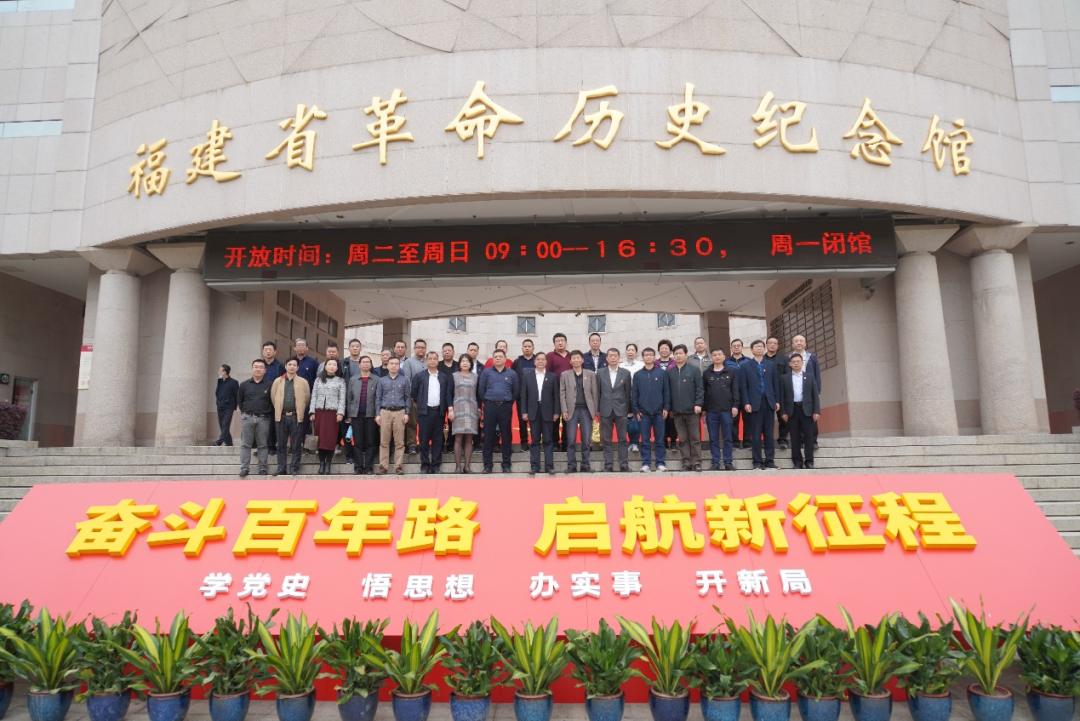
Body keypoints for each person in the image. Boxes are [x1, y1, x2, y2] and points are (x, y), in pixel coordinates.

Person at [739, 340, 781, 471]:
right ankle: (757, 462)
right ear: (751, 350)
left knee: (769, 433)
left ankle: (770, 461)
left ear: (764, 349)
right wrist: (746, 402)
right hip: (754, 403)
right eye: (756, 347)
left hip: (768, 402)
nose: (759, 349)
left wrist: (777, 401)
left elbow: (776, 384)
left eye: (761, 347)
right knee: (756, 434)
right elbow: (743, 387)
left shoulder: (771, 365)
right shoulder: (745, 366)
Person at [478, 349, 519, 473]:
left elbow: (515, 391)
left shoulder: (512, 373)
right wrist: (487, 402)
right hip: (490, 407)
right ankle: (487, 465)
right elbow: (481, 390)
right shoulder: (486, 372)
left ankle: (506, 464)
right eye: (495, 356)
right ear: (492, 359)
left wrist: (507, 403)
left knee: (506, 436)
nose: (498, 358)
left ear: (505, 359)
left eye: (500, 356)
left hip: (505, 407)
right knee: (488, 436)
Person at [519, 351, 560, 475]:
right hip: (533, 411)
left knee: (548, 440)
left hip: (548, 411)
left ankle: (549, 466)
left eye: (543, 359)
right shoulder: (527, 376)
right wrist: (524, 411)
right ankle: (534, 466)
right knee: (535, 440)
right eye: (538, 359)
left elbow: (556, 396)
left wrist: (556, 412)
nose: (540, 361)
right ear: (534, 361)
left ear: (546, 362)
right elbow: (523, 396)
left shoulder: (552, 376)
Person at [412, 351, 452, 474]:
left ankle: (436, 466)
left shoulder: (443, 377)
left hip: (439, 412)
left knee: (438, 440)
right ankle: (425, 465)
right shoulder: (419, 376)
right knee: (424, 440)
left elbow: (446, 394)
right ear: (426, 361)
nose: (433, 361)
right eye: (430, 359)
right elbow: (414, 394)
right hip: (425, 412)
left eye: (435, 358)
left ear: (438, 361)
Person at [559, 350, 598, 473]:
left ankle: (585, 464)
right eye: (573, 358)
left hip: (586, 410)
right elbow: (562, 394)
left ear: (582, 360)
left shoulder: (591, 374)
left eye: (578, 358)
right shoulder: (565, 375)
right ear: (570, 361)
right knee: (571, 439)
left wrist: (595, 410)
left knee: (586, 439)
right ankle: (571, 465)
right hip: (572, 410)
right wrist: (564, 410)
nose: (576, 360)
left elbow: (595, 393)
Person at [781, 353, 821, 469]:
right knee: (794, 437)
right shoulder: (784, 378)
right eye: (793, 362)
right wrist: (783, 412)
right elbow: (782, 397)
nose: (796, 363)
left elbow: (815, 395)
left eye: (798, 361)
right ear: (790, 364)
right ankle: (797, 462)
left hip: (807, 410)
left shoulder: (810, 377)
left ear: (802, 363)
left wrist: (816, 411)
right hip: (792, 410)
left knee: (808, 437)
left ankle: (809, 461)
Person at [632, 347, 670, 473]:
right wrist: (636, 410)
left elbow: (666, 392)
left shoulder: (662, 373)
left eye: (651, 355)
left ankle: (660, 463)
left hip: (659, 412)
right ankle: (646, 463)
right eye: (646, 355)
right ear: (642, 357)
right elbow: (634, 394)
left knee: (660, 439)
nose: (648, 357)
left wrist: (666, 407)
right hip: (643, 413)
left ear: (654, 357)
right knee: (645, 440)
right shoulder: (637, 375)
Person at [271, 356, 309, 476]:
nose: (292, 367)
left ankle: (294, 467)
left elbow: (306, 398)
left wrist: (300, 409)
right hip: (281, 416)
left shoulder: (303, 382)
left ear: (298, 368)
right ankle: (281, 467)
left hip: (296, 416)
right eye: (289, 365)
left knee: (296, 444)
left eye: (294, 365)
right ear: (285, 366)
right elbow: (273, 397)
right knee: (281, 444)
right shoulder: (278, 381)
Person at [668, 344, 704, 472]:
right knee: (682, 439)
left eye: (680, 353)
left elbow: (699, 389)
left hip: (692, 410)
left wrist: (698, 404)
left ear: (686, 355)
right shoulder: (670, 372)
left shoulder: (694, 370)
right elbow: (668, 392)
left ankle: (697, 462)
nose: (678, 356)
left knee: (695, 438)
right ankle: (686, 462)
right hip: (677, 412)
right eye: (676, 354)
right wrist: (670, 408)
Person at [703, 347, 740, 471]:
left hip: (727, 410)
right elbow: (704, 391)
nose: (717, 357)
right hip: (711, 410)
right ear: (711, 358)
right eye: (715, 355)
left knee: (727, 438)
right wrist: (704, 408)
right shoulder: (707, 373)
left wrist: (735, 406)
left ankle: (728, 462)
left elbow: (735, 390)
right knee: (713, 438)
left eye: (719, 354)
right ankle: (715, 462)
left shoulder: (731, 372)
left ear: (724, 357)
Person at [597, 347, 632, 473]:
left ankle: (624, 464)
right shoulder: (600, 372)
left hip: (621, 409)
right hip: (605, 409)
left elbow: (628, 393)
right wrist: (598, 409)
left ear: (619, 358)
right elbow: (598, 392)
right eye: (610, 355)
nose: (613, 357)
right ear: (606, 358)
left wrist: (628, 409)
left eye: (615, 355)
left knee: (622, 438)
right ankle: (608, 465)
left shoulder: (625, 373)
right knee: (606, 439)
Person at [309, 358, 346, 475]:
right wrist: (312, 411)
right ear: (325, 367)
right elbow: (313, 396)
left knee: (330, 439)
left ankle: (328, 463)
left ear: (337, 368)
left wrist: (340, 413)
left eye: (334, 365)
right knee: (320, 438)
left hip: (333, 413)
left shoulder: (341, 381)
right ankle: (321, 463)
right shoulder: (318, 380)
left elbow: (342, 398)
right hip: (319, 412)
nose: (331, 366)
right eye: (329, 364)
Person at [237, 359, 273, 477]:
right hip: (247, 418)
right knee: (245, 445)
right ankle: (244, 468)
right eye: (256, 367)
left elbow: (273, 401)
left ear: (265, 370)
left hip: (263, 419)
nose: (258, 369)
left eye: (261, 367)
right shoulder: (244, 385)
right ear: (251, 369)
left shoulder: (270, 385)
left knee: (263, 445)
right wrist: (245, 412)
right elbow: (240, 400)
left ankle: (262, 468)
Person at [375, 356, 411, 475]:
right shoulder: (382, 380)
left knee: (399, 441)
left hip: (399, 412)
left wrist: (407, 413)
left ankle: (398, 466)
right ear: (388, 365)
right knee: (384, 441)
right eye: (392, 363)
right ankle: (383, 466)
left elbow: (407, 398)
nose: (394, 366)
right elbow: (378, 398)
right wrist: (377, 414)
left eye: (396, 364)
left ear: (399, 366)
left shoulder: (404, 380)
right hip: (385, 412)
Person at [345, 355, 379, 475]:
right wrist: (349, 415)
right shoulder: (353, 380)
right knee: (358, 442)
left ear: (371, 365)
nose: (365, 364)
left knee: (370, 442)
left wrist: (377, 414)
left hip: (371, 415)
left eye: (368, 362)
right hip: (356, 415)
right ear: (359, 365)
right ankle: (358, 467)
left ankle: (369, 467)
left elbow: (378, 398)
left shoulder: (376, 379)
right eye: (363, 362)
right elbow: (349, 399)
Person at [790, 334, 822, 450]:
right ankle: (800, 441)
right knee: (796, 418)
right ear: (792, 344)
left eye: (801, 341)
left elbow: (817, 375)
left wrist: (817, 391)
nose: (799, 343)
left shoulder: (812, 357)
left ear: (805, 343)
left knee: (811, 417)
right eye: (796, 341)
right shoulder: (788, 358)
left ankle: (813, 440)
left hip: (809, 391)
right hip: (795, 391)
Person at [450, 354, 479, 473]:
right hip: (458, 409)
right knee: (458, 437)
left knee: (469, 438)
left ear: (471, 364)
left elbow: (478, 394)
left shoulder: (476, 377)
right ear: (459, 363)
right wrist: (450, 409)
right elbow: (448, 393)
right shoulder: (454, 376)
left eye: (467, 361)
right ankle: (458, 466)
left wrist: (479, 409)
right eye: (463, 361)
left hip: (472, 409)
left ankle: (467, 466)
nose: (465, 363)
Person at [401, 339, 428, 454]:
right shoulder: (409, 362)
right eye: (418, 347)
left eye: (423, 347)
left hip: (428, 399)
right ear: (414, 348)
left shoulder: (429, 361)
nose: (420, 349)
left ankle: (424, 444)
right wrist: (410, 396)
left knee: (425, 424)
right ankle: (412, 445)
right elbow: (407, 380)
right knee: (412, 423)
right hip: (414, 398)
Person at [726, 339, 752, 449]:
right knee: (733, 419)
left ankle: (747, 442)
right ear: (731, 348)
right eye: (734, 346)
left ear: (742, 347)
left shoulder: (749, 361)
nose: (736, 347)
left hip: (747, 394)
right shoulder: (726, 362)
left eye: (738, 345)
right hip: (731, 395)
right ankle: (735, 442)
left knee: (748, 419)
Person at [547, 332, 572, 450]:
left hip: (569, 393)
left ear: (566, 342)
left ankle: (566, 443)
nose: (560, 343)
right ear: (554, 343)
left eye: (562, 340)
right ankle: (555, 443)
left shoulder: (572, 356)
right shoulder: (550, 356)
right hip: (554, 392)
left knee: (568, 418)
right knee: (555, 418)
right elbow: (547, 374)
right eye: (557, 341)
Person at [765, 337, 789, 450]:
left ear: (778, 346)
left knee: (782, 417)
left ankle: (783, 439)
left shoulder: (784, 359)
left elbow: (787, 375)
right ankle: (766, 440)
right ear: (766, 345)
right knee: (766, 419)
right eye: (770, 343)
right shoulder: (761, 359)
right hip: (766, 392)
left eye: (775, 343)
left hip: (781, 391)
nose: (772, 345)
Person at [261, 342, 285, 455]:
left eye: (270, 349)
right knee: (262, 422)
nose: (268, 351)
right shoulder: (260, 365)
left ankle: (272, 446)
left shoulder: (280, 366)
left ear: (275, 352)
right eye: (266, 349)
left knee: (274, 422)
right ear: (263, 352)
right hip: (262, 398)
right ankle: (261, 446)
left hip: (276, 397)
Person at [620, 343, 644, 453]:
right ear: (626, 352)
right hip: (624, 396)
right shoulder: (621, 366)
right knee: (628, 419)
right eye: (628, 350)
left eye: (632, 350)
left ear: (636, 352)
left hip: (638, 395)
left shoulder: (641, 365)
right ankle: (630, 442)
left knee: (637, 418)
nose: (630, 352)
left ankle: (635, 442)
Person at [514, 339, 537, 452]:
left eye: (529, 346)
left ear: (533, 348)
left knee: (535, 420)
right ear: (522, 348)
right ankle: (524, 442)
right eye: (525, 346)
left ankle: (535, 441)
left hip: (536, 396)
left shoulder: (538, 360)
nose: (527, 348)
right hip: (521, 396)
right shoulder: (517, 362)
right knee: (522, 421)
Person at [656, 339, 677, 449]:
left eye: (666, 348)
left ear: (670, 350)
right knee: (661, 419)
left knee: (672, 419)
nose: (664, 350)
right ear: (658, 350)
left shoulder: (675, 363)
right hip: (658, 396)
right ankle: (663, 441)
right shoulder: (655, 364)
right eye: (661, 348)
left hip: (673, 395)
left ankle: (673, 441)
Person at [214, 364, 238, 447]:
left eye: (219, 371)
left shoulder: (233, 382)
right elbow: (218, 393)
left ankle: (219, 441)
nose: (218, 373)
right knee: (222, 426)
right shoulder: (220, 382)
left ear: (224, 372)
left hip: (229, 407)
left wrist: (236, 406)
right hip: (220, 406)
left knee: (225, 425)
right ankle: (229, 443)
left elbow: (237, 395)